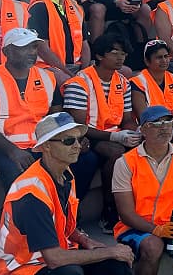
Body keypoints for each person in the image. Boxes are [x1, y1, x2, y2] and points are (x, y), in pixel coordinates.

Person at [0, 112, 136, 275]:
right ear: (46, 146)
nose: (77, 146)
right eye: (68, 141)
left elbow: (63, 225)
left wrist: (84, 240)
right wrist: (109, 251)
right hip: (22, 267)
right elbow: (54, 259)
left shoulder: (65, 174)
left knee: (116, 264)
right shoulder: (31, 193)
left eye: (78, 139)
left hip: (52, 255)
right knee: (71, 272)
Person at [113, 105, 173, 275]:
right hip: (139, 226)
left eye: (168, 121)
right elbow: (126, 213)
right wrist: (156, 230)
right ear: (143, 130)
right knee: (152, 246)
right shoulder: (125, 163)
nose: (164, 127)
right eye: (156, 123)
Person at [0, 29, 68, 190]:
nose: (31, 52)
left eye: (34, 47)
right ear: (7, 51)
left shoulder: (47, 77)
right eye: (24, 48)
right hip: (3, 146)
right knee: (20, 173)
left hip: (42, 144)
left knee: (85, 160)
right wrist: (13, 151)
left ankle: (65, 211)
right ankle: (21, 214)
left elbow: (57, 116)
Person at [64, 33, 141, 234]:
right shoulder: (79, 82)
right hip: (87, 137)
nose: (120, 58)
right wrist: (116, 136)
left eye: (123, 54)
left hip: (114, 135)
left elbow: (126, 120)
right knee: (114, 154)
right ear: (98, 55)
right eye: (114, 53)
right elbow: (79, 125)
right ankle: (108, 210)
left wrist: (135, 131)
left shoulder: (123, 82)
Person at [27, 0, 89, 79]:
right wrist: (70, 75)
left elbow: (84, 44)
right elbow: (42, 49)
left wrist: (85, 72)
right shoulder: (39, 7)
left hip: (77, 66)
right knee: (67, 82)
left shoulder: (76, 6)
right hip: (48, 66)